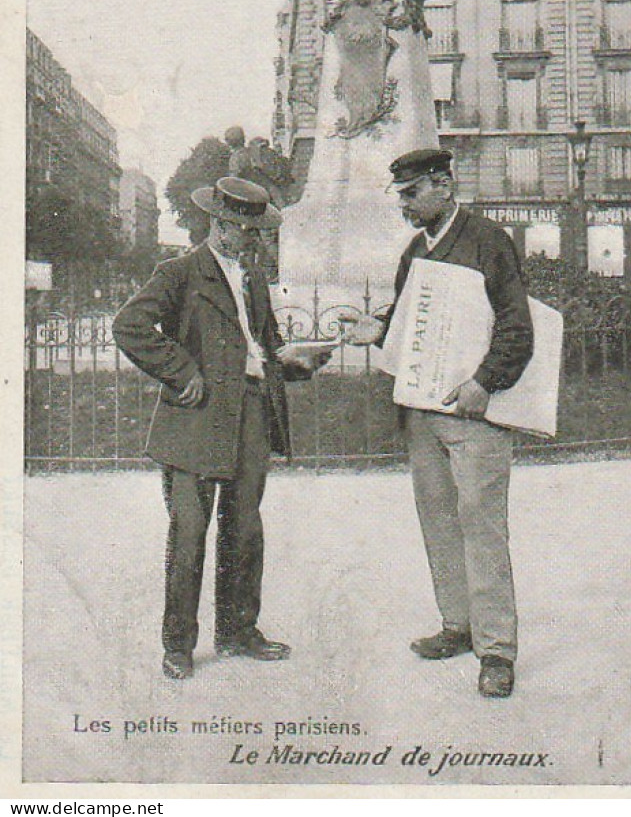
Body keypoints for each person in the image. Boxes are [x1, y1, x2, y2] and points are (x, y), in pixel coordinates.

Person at [113, 177, 332, 680]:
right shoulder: (179, 272)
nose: (256, 240)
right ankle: (178, 646)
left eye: (258, 231)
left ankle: (237, 632)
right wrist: (181, 370)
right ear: (219, 224)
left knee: (244, 528)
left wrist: (292, 361)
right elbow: (129, 325)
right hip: (195, 419)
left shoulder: (253, 275)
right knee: (189, 532)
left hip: (251, 415)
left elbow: (263, 345)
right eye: (248, 231)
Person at [343, 149, 534, 697]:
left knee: (483, 528)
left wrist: (485, 383)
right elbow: (406, 327)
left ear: (444, 186)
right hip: (423, 416)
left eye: (411, 194)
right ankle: (458, 625)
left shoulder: (488, 241)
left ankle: (496, 652)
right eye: (400, 195)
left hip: (473, 413)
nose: (403, 205)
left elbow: (517, 328)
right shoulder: (414, 251)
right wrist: (374, 331)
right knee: (439, 522)